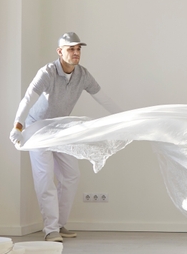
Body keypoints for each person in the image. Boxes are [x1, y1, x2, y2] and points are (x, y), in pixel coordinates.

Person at [10, 32, 120, 242]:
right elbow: (27, 98)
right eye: (71, 49)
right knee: (45, 177)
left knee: (71, 176)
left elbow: (102, 98)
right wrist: (18, 126)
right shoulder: (48, 72)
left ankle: (59, 225)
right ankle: (50, 229)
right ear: (60, 52)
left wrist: (123, 118)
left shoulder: (83, 75)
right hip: (37, 129)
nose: (76, 53)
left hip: (60, 129)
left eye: (78, 49)